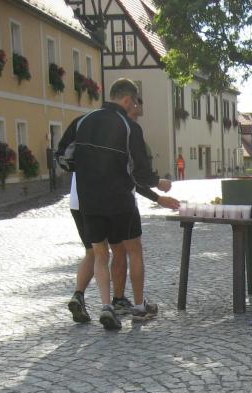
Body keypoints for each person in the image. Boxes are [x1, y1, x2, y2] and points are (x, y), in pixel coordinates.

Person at [62, 96, 177, 324]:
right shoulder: (126, 127)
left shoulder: (83, 122)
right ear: (126, 101)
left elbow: (63, 156)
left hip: (85, 199)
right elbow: (134, 174)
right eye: (134, 109)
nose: (134, 115)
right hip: (117, 200)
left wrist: (82, 171)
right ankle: (130, 304)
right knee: (127, 249)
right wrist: (157, 188)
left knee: (96, 253)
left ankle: (96, 300)